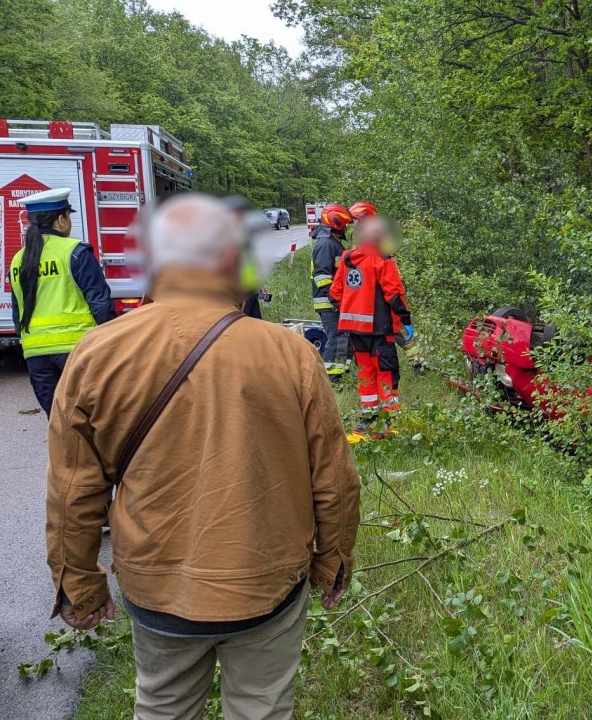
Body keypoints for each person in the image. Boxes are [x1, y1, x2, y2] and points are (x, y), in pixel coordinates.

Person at [45, 194, 361, 720]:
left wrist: (79, 582)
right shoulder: (292, 355)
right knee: (262, 709)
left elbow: (73, 488)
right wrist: (332, 562)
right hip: (267, 583)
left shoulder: (96, 352)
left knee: (163, 706)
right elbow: (334, 479)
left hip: (155, 587)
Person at [8, 188, 115, 415]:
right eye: (68, 216)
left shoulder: (18, 259)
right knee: (91, 419)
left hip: (35, 354)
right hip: (77, 350)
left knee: (58, 422)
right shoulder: (75, 252)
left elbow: (18, 313)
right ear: (61, 219)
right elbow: (100, 303)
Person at [329, 215, 413, 440]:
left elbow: (335, 293)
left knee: (366, 372)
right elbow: (394, 294)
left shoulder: (348, 258)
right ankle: (390, 422)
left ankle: (366, 420)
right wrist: (406, 320)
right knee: (386, 373)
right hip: (380, 330)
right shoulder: (381, 260)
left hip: (355, 332)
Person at [311, 204, 353, 378]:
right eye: (344, 225)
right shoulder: (326, 245)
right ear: (336, 224)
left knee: (343, 337)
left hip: (335, 300)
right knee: (335, 339)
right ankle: (330, 377)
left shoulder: (332, 243)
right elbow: (322, 276)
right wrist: (334, 299)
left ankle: (341, 372)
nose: (345, 229)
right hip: (328, 301)